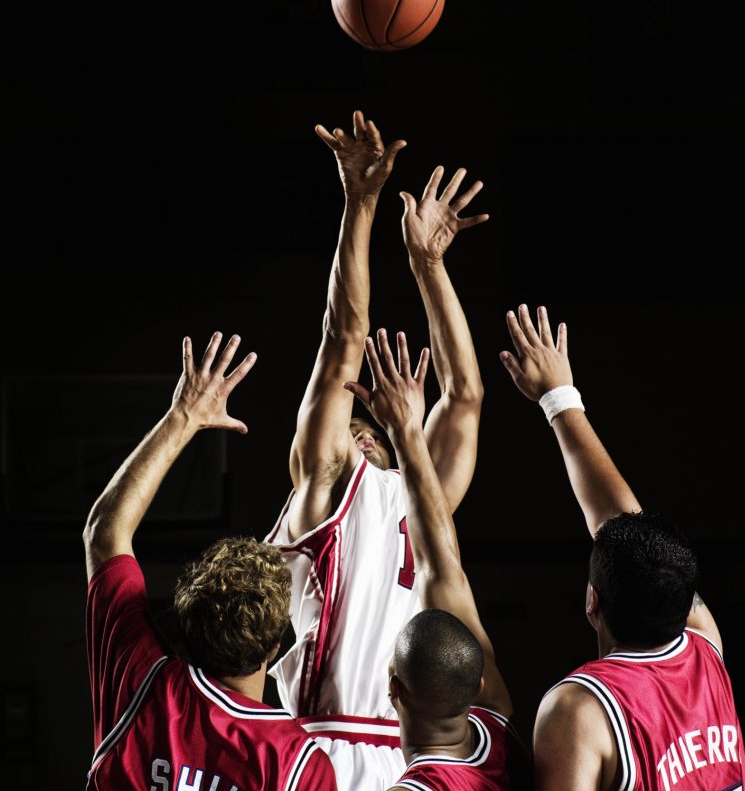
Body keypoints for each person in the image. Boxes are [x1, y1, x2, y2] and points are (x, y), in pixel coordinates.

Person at [265, 112, 488, 788]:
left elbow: (464, 394)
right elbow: (345, 337)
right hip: (320, 747)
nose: (359, 426)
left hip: (401, 755)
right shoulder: (326, 484)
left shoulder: (425, 497)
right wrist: (358, 206)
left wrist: (430, 265)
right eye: (353, 421)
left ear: (391, 439)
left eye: (372, 426)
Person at [499, 303, 745, 791]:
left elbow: (619, 528)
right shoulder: (704, 649)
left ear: (592, 601)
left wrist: (557, 396)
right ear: (685, 605)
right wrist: (558, 397)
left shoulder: (580, 708)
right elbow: (622, 529)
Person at [83, 332, 338, 791]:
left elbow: (104, 531)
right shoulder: (296, 762)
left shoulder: (141, 684)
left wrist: (184, 416)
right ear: (276, 646)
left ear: (184, 625)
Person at [345, 327, 532, 791]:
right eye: (351, 435)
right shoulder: (503, 735)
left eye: (367, 433)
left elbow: (465, 394)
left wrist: (405, 433)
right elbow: (442, 568)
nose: (362, 439)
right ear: (479, 687)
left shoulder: (397, 494)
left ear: (394, 691)